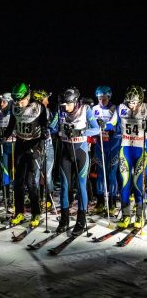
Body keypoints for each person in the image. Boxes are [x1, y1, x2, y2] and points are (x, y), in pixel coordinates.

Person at [56, 87, 100, 235]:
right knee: (64, 187)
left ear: (75, 102)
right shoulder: (61, 110)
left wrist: (81, 132)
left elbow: (97, 129)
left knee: (81, 187)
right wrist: (50, 131)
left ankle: (81, 220)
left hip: (81, 152)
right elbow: (52, 127)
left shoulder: (85, 110)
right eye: (64, 104)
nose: (65, 107)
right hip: (65, 153)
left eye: (68, 104)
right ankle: (64, 220)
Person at [3, 83, 48, 228]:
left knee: (30, 181)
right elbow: (12, 123)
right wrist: (4, 135)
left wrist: (44, 135)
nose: (18, 103)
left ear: (28, 97)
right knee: (18, 181)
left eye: (21, 100)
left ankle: (36, 213)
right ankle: (19, 211)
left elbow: (44, 126)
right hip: (20, 144)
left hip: (34, 144)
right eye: (15, 100)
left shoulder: (39, 107)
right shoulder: (14, 106)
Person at [104, 85, 147, 229]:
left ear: (140, 100)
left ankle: (140, 215)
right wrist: (104, 124)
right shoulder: (121, 108)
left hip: (140, 150)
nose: (132, 106)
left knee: (138, 183)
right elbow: (112, 123)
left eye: (134, 103)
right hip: (126, 149)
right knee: (125, 183)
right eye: (129, 102)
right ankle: (126, 215)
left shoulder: (145, 108)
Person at [91, 86, 121, 215]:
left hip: (113, 145)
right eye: (99, 98)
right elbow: (89, 123)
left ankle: (112, 202)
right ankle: (100, 201)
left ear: (109, 97)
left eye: (104, 98)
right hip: (99, 145)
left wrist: (105, 125)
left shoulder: (114, 109)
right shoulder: (94, 109)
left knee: (111, 174)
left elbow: (114, 123)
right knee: (100, 174)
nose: (101, 101)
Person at [32, 89, 56, 210]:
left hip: (48, 146)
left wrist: (50, 129)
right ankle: (35, 199)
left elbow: (54, 127)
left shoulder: (48, 111)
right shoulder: (32, 111)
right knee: (35, 174)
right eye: (46, 98)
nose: (48, 100)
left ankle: (48, 199)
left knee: (47, 175)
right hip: (36, 146)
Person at [0, 93, 16, 210]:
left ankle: (16, 197)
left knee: (15, 173)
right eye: (1, 101)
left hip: (14, 145)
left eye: (4, 102)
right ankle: (6, 196)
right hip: (4, 147)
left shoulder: (14, 113)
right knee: (5, 173)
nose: (1, 103)